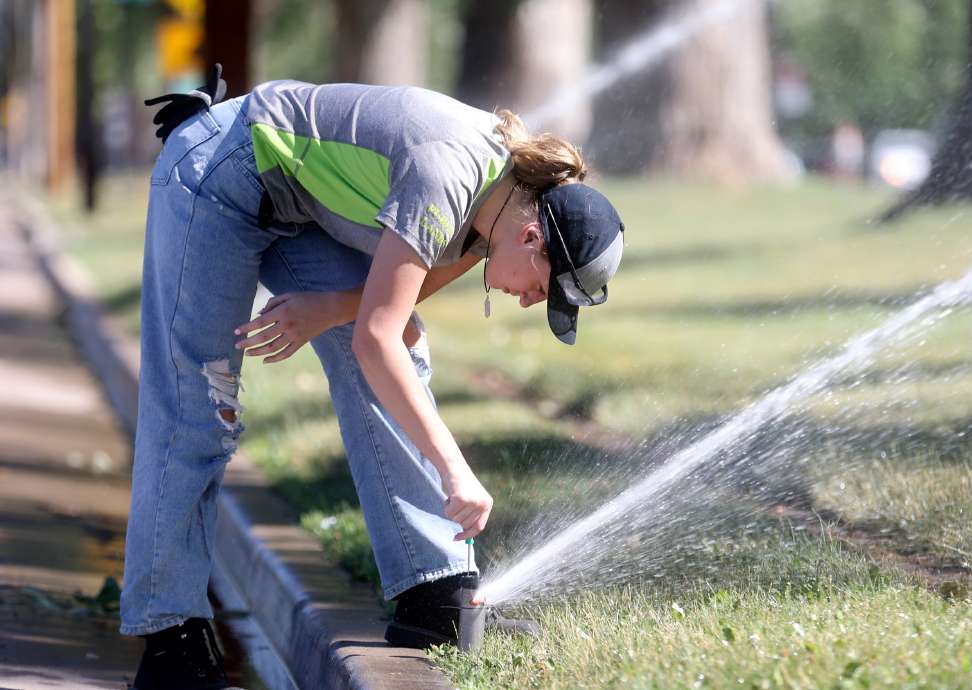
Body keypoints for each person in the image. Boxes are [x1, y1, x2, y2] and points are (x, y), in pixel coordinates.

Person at [122, 67, 625, 690]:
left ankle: (434, 593)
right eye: (542, 290)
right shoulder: (451, 177)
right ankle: (170, 639)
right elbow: (374, 337)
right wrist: (456, 470)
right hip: (220, 171)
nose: (529, 303)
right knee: (200, 405)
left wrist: (321, 309)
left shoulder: (493, 216)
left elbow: (382, 321)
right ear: (532, 238)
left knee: (401, 352)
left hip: (298, 203)